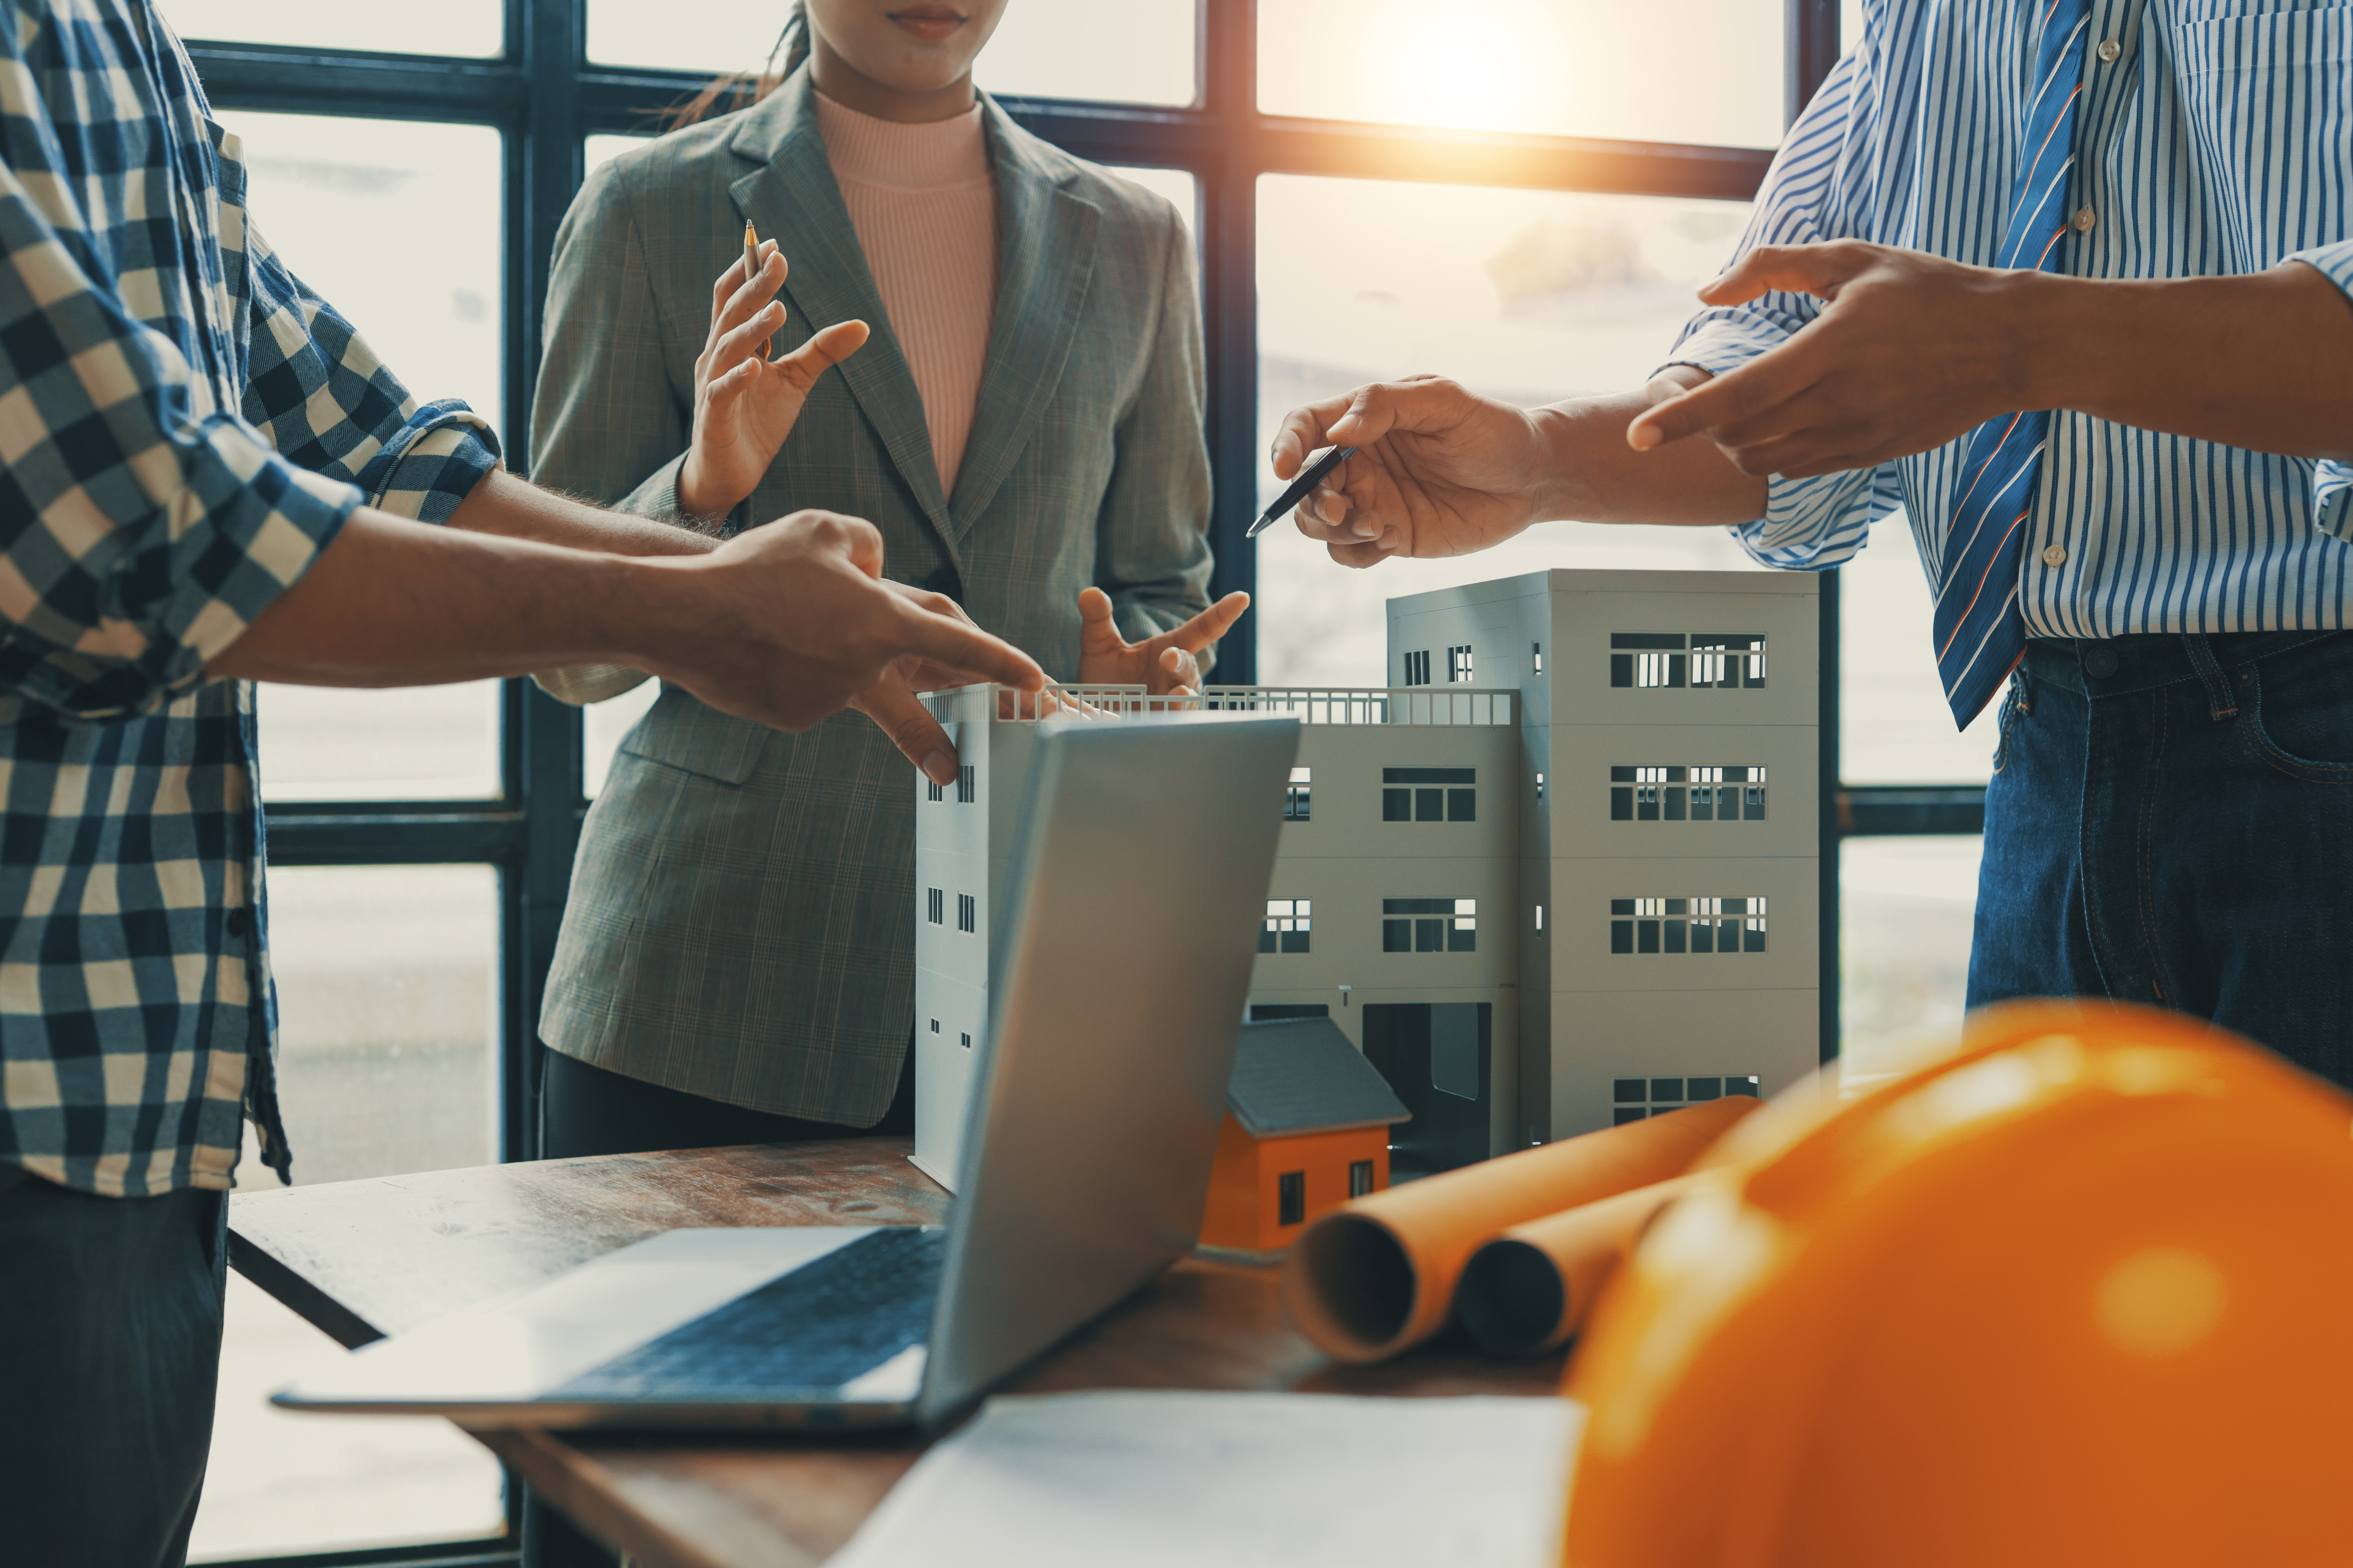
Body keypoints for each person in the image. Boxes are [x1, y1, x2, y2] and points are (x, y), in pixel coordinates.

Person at [0, 4, 1044, 1564]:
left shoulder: (124, 34)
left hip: (140, 1098)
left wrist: (724, 587)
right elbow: (136, 530)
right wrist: (697, 594)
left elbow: (369, 444)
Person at [1271, 0, 2353, 1088]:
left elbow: (1961, 344)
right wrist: (1542, 457)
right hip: (2053, 758)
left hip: (2328, 739)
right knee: (2034, 1257)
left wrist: (2018, 343)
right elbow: (1789, 357)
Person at [527, 0, 1243, 1157]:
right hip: (704, 990)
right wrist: (701, 490)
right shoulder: (645, 211)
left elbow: (1157, 578)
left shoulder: (1134, 238)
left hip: (1032, 983)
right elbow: (564, 649)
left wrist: (1129, 684)